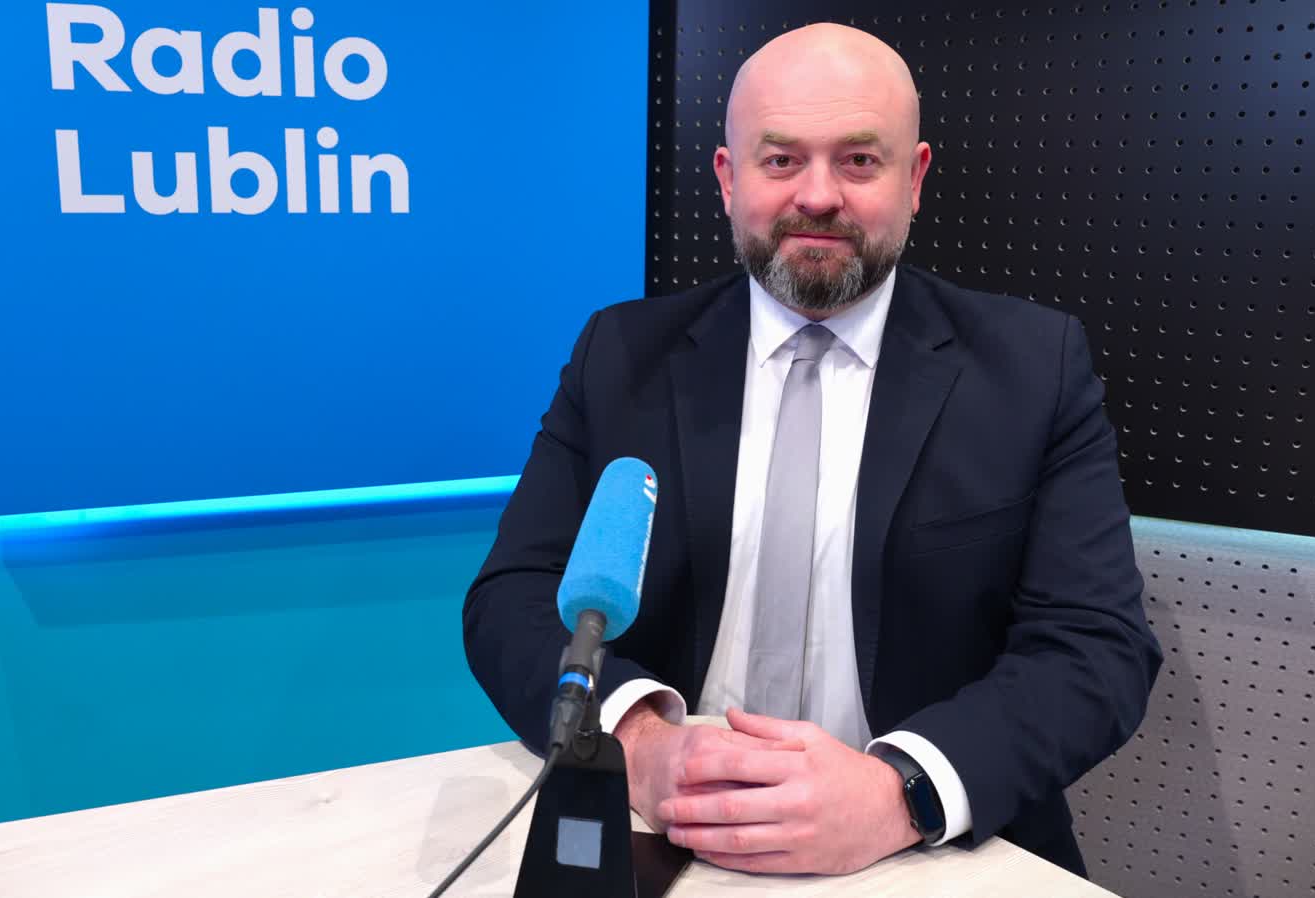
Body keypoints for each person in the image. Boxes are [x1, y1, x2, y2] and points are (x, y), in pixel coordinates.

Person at [461, 22, 1161, 878]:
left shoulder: (1032, 369)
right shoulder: (620, 356)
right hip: (663, 840)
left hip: (926, 854)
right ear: (729, 179)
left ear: (915, 179)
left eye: (859, 160)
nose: (818, 195)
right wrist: (638, 742)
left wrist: (898, 792)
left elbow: (1096, 647)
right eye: (781, 159)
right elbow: (513, 598)